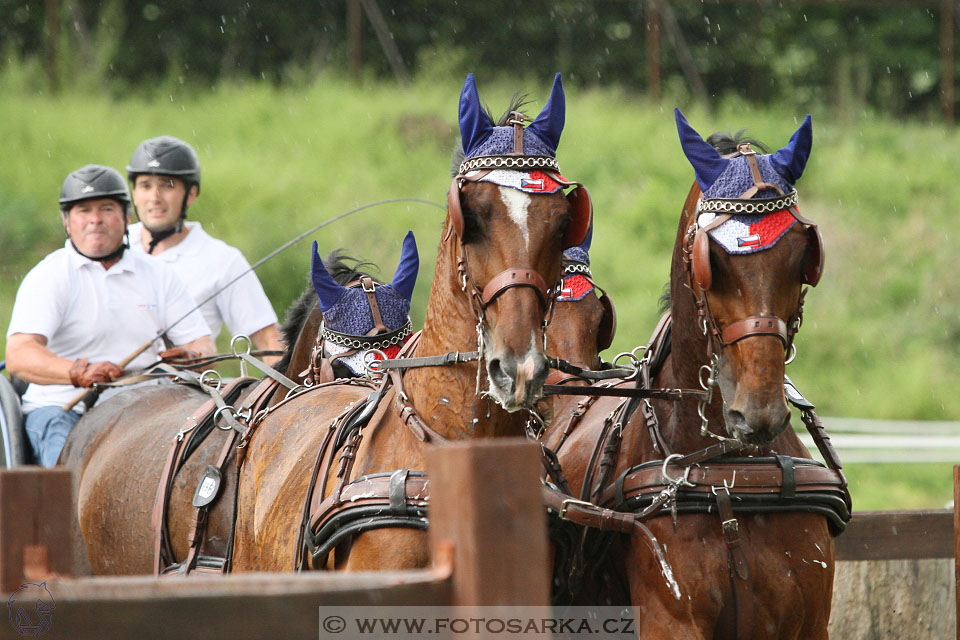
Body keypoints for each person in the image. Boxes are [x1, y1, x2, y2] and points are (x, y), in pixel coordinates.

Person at [5, 165, 215, 466]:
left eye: (106, 209)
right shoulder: (49, 276)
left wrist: (193, 355)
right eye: (83, 210)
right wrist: (77, 372)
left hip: (149, 407)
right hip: (62, 409)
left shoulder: (158, 275)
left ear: (126, 217)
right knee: (73, 490)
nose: (95, 220)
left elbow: (204, 343)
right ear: (67, 222)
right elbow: (19, 355)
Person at [125, 136, 283, 359]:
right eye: (145, 186)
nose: (154, 197)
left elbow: (270, 342)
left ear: (190, 194)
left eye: (166, 185)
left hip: (184, 387)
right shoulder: (112, 247)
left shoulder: (223, 260)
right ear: (134, 193)